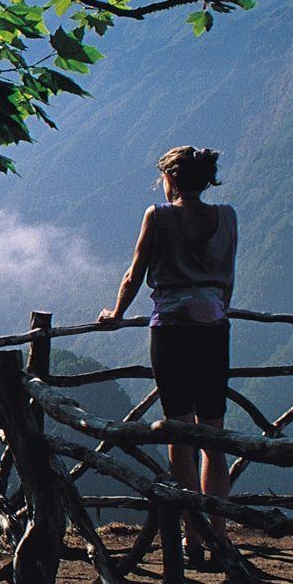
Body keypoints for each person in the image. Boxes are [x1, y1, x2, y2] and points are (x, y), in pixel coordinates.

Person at [99, 145, 237, 508]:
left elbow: (134, 274)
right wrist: (217, 310)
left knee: (179, 431)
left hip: (172, 331)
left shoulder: (158, 216)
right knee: (214, 437)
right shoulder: (227, 216)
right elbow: (228, 280)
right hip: (214, 328)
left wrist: (116, 314)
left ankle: (192, 531)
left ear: (171, 177)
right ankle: (219, 530)